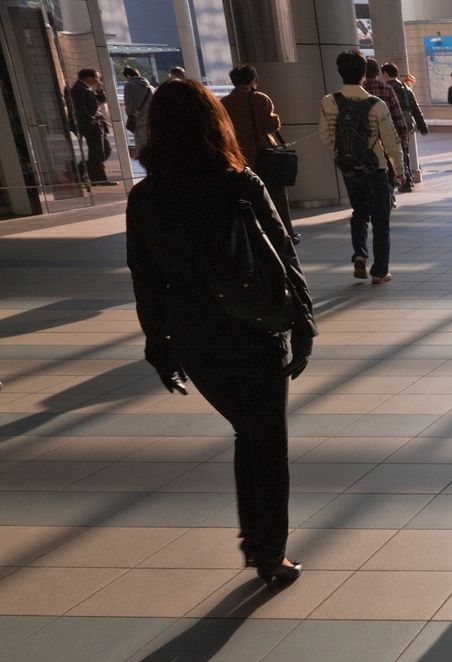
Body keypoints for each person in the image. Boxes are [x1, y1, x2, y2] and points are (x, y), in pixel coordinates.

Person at [127, 78, 313, 588]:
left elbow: (145, 278)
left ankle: (257, 544)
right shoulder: (238, 182)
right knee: (266, 439)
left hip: (194, 336)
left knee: (248, 431)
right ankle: (269, 553)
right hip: (254, 326)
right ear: (215, 122)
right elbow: (283, 256)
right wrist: (304, 321)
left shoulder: (145, 199)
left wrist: (157, 344)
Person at [321, 49, 402, 284]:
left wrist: (343, 152)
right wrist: (399, 171)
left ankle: (359, 254)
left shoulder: (329, 102)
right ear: (364, 73)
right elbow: (391, 141)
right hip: (374, 167)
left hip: (348, 167)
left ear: (340, 72)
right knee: (380, 219)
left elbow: (325, 137)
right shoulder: (376, 105)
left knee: (359, 212)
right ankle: (380, 272)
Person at [221, 65, 296, 240]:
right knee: (276, 196)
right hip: (263, 153)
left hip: (239, 157)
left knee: (245, 196)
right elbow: (271, 125)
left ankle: (253, 234)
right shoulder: (260, 98)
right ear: (253, 80)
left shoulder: (224, 103)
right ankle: (285, 233)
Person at [360, 60, 410, 194]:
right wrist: (403, 139)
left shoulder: (360, 91)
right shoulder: (387, 89)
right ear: (378, 73)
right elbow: (398, 116)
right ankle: (388, 194)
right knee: (387, 169)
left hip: (365, 142)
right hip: (386, 137)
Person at [383, 63, 426, 191]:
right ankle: (409, 180)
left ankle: (404, 181)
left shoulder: (387, 88)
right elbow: (415, 107)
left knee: (396, 152)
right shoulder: (406, 88)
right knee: (404, 150)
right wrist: (422, 125)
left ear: (386, 74)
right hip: (408, 121)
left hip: (396, 122)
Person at [68, 69, 113, 185]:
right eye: (96, 77)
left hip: (96, 124)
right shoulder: (79, 89)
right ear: (88, 77)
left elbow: (100, 101)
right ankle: (99, 178)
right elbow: (79, 108)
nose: (97, 80)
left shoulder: (86, 88)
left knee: (103, 151)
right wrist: (90, 120)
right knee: (97, 151)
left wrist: (99, 90)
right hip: (91, 126)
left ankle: (82, 170)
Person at [123, 66, 154, 149]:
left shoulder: (129, 86)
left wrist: (130, 115)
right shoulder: (150, 87)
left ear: (128, 76)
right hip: (151, 120)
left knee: (141, 145)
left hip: (139, 120)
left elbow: (129, 103)